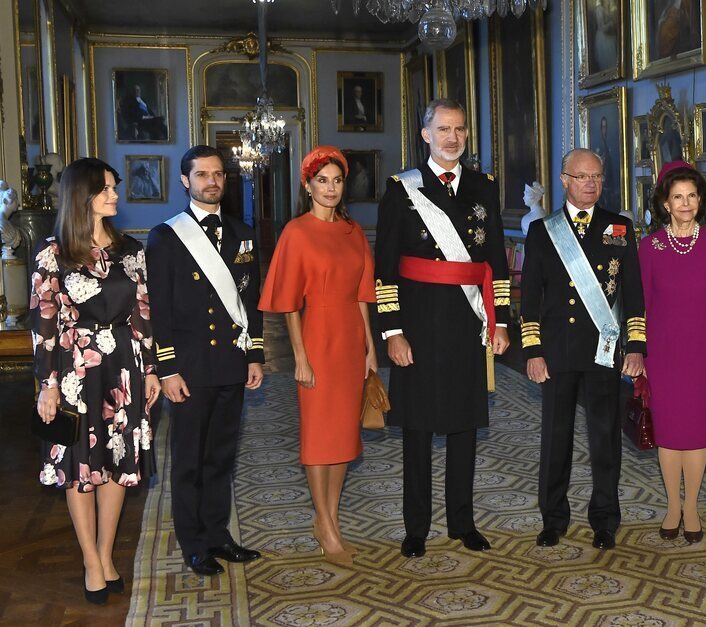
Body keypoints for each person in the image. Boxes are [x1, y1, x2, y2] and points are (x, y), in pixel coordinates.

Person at [375, 99, 511, 558]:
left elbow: (496, 259)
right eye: (443, 129)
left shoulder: (484, 187)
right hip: (415, 322)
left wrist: (501, 320)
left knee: (463, 426)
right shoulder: (401, 189)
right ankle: (416, 527)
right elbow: (385, 269)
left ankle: (462, 522)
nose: (452, 137)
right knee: (416, 429)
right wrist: (392, 332)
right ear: (425, 134)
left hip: (467, 323)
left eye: (460, 130)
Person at [31, 157, 161, 603]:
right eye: (104, 188)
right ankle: (89, 558)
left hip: (123, 367)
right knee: (81, 468)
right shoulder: (53, 253)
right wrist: (47, 384)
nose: (114, 194)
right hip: (74, 373)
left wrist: (150, 370)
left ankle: (106, 554)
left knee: (118, 462)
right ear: (80, 196)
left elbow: (144, 315)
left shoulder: (131, 251)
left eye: (114, 186)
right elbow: (44, 323)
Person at [146, 145, 265, 576]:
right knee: (190, 459)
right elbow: (159, 308)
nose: (212, 182)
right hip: (190, 368)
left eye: (218, 174)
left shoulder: (242, 232)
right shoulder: (166, 236)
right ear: (185, 181)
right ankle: (194, 544)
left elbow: (250, 301)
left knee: (221, 456)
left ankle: (219, 535)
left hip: (231, 364)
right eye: (202, 175)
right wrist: (168, 368)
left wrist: (255, 356)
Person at [521, 148, 646, 551]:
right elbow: (530, 298)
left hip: (603, 351)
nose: (590, 184)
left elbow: (634, 294)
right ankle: (553, 519)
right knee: (555, 438)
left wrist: (637, 346)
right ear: (564, 180)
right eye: (581, 177)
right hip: (556, 352)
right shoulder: (543, 231)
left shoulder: (619, 229)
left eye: (596, 176)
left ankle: (605, 520)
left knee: (605, 439)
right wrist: (533, 350)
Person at [258, 146, 377, 565]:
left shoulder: (353, 231)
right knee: (318, 434)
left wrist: (370, 349)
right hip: (317, 336)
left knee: (344, 434)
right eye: (322, 180)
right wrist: (300, 357)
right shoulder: (296, 232)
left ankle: (332, 516)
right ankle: (324, 522)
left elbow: (365, 295)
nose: (330, 188)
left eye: (337, 180)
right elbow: (289, 302)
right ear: (307, 185)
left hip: (349, 340)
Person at [639, 161, 706, 544]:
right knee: (669, 433)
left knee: (696, 433)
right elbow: (641, 306)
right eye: (677, 196)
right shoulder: (650, 247)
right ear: (664, 202)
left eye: (691, 196)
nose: (685, 203)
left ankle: (691, 506)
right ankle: (672, 507)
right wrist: (638, 354)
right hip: (663, 353)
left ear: (700, 200)